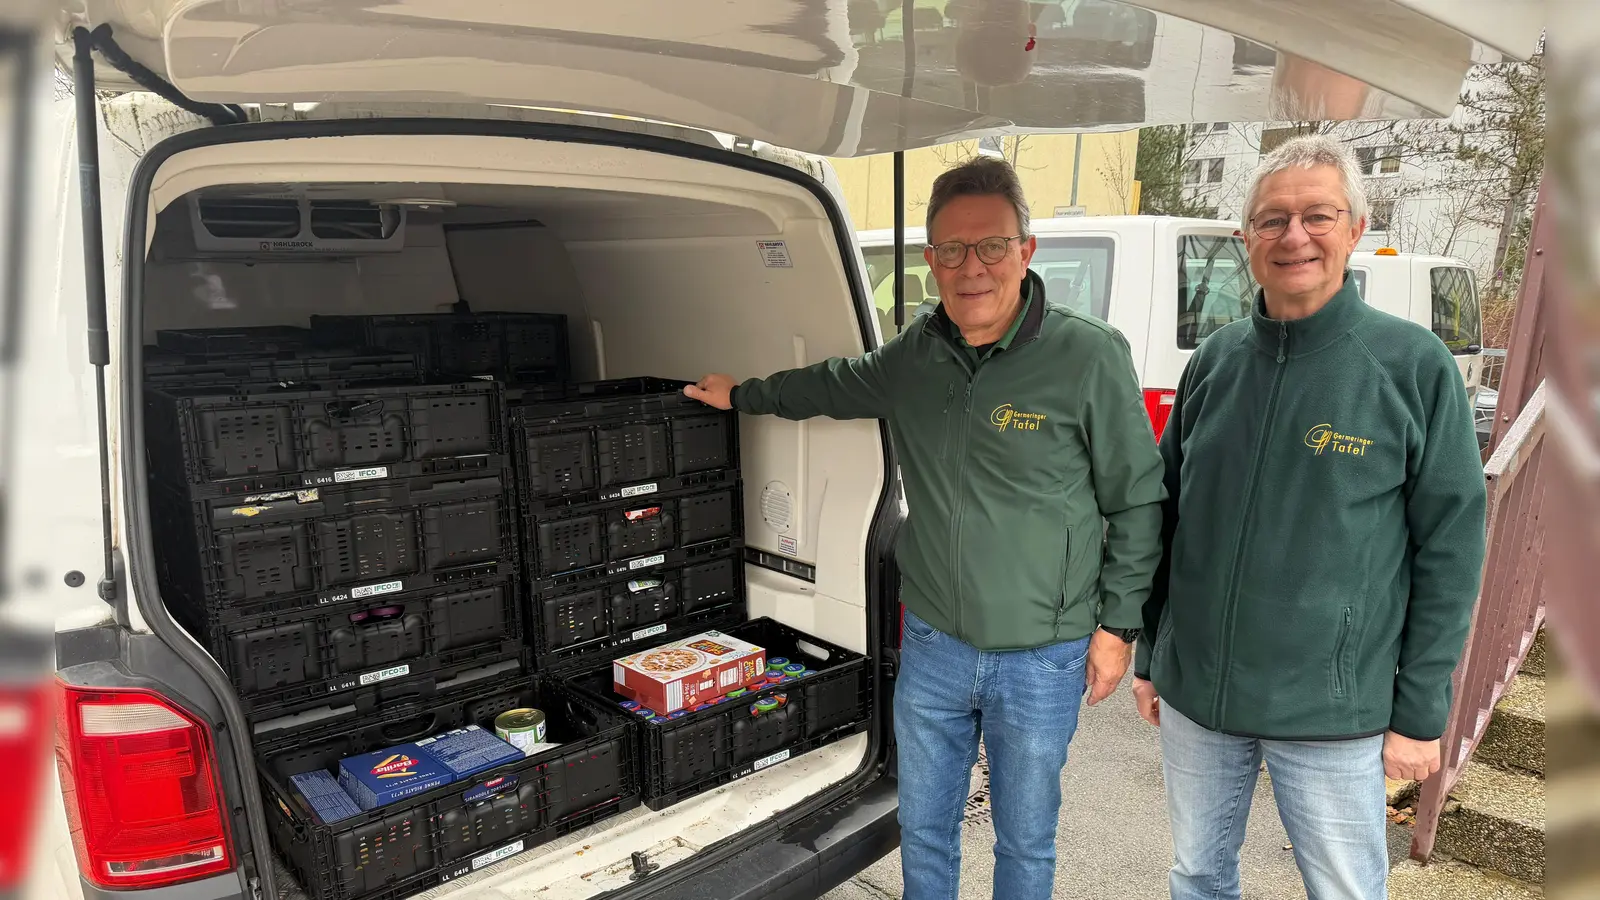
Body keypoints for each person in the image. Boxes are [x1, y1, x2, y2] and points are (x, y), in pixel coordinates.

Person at [685, 156, 1164, 900]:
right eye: (950, 249)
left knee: (1026, 841)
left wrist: (1117, 629)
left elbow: (1137, 500)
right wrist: (743, 393)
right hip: (936, 644)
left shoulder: (1086, 354)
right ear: (931, 259)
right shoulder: (916, 355)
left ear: (1025, 250)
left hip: (1043, 655)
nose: (971, 267)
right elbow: (834, 382)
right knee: (926, 827)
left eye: (992, 246)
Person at [1132, 135, 1487, 900]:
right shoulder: (1214, 362)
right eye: (1273, 220)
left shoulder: (1411, 366)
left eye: (1317, 216)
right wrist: (1153, 654)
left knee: (1345, 890)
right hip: (1200, 699)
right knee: (1197, 875)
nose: (1294, 236)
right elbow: (1165, 517)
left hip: (1331, 711)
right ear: (1246, 242)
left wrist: (1421, 711)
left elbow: (1451, 549)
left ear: (1355, 229)